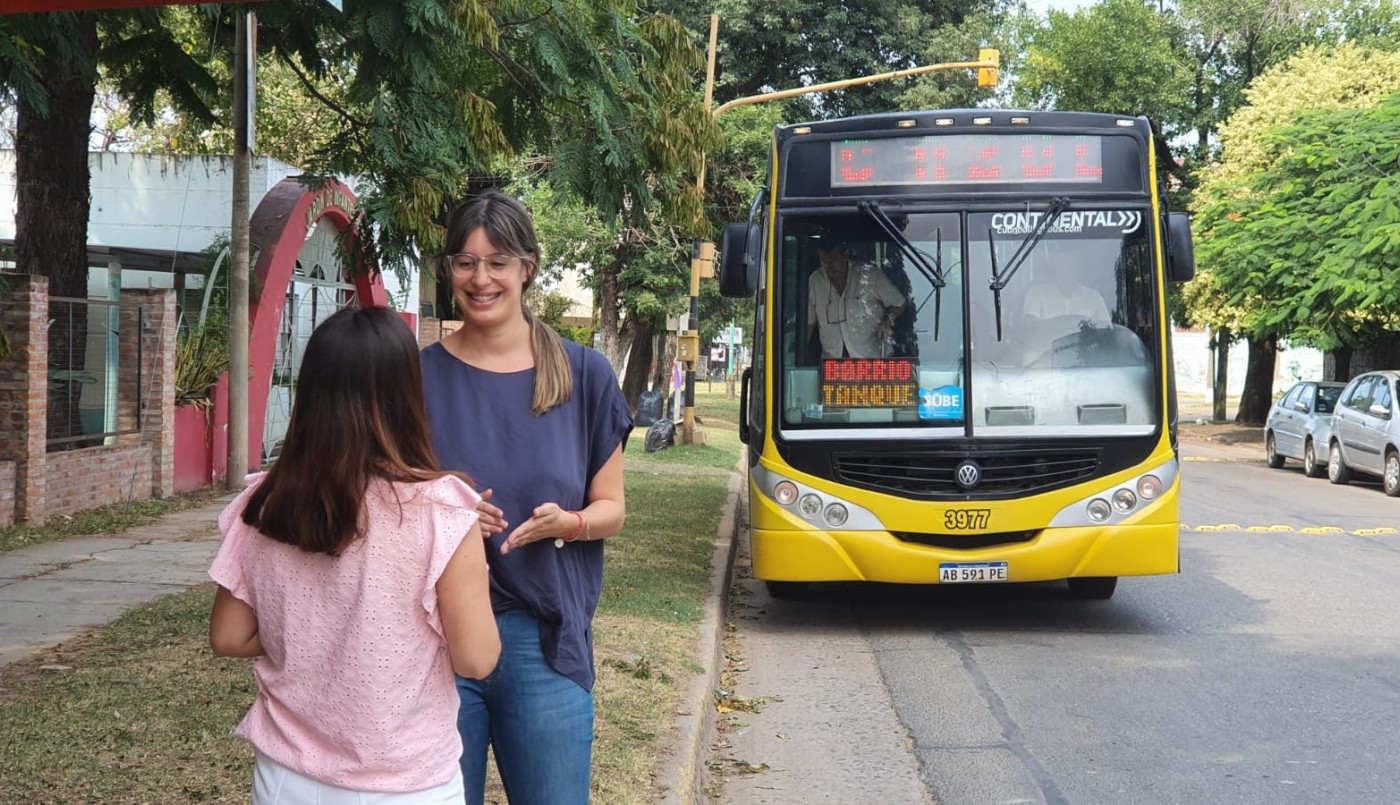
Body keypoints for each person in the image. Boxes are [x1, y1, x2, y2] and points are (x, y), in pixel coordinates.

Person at [208, 306, 501, 804]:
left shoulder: (263, 503)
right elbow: (477, 659)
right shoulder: (442, 512)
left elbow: (229, 636)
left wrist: (314, 638)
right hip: (405, 783)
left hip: (285, 777)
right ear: (407, 393)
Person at [419, 189, 632, 805]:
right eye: (465, 261)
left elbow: (611, 508)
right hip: (434, 640)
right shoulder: (415, 377)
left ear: (527, 267)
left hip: (544, 642)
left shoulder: (584, 373)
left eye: (497, 262)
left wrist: (570, 523)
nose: (480, 278)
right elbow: (384, 502)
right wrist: (442, 507)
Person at [806, 238, 906, 360]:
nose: (829, 266)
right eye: (825, 261)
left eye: (833, 260)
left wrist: (888, 321)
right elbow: (808, 324)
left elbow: (899, 303)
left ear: (845, 255)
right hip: (832, 367)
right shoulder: (815, 281)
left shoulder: (870, 275)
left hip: (871, 363)